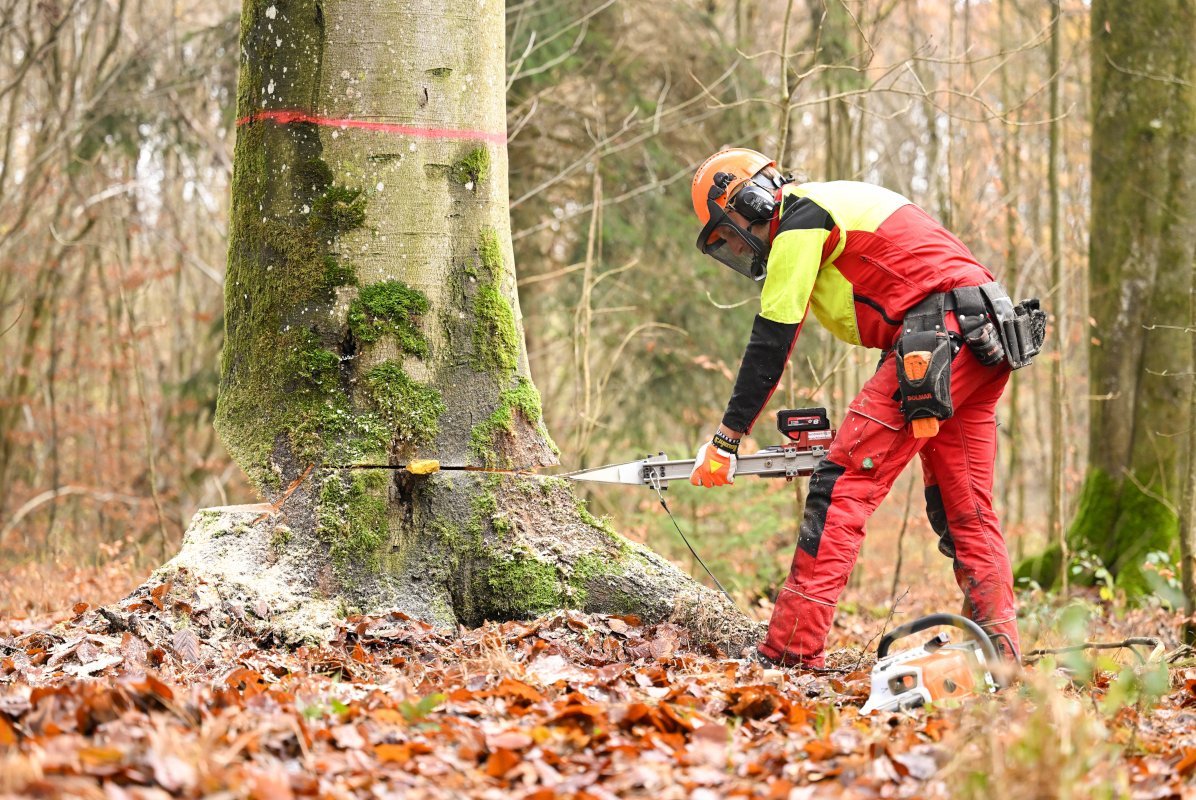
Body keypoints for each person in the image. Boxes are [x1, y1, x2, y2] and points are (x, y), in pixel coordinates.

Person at [687, 147, 1023, 668]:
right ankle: (1000, 657)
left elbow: (772, 340)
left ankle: (791, 654)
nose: (734, 245)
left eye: (729, 231)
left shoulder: (800, 219)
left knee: (842, 485)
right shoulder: (825, 204)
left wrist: (727, 438)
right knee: (967, 514)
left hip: (938, 338)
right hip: (984, 337)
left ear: (749, 199)